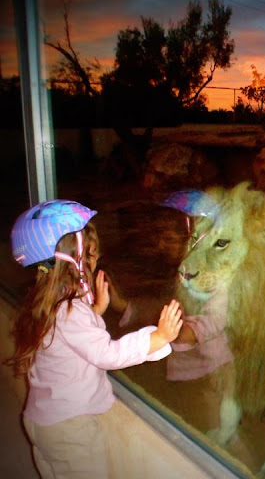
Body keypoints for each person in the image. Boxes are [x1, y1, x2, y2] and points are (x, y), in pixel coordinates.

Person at [5, 199, 183, 479]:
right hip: (69, 430)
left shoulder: (45, 301)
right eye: (91, 253)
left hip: (41, 421)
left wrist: (96, 310)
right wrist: (157, 338)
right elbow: (106, 354)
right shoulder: (71, 310)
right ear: (74, 259)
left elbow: (67, 339)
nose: (96, 259)